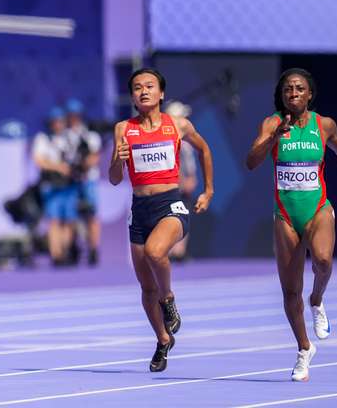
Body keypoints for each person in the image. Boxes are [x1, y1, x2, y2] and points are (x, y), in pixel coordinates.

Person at [245, 68, 337, 382]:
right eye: (287, 90)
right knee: (289, 290)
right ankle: (303, 349)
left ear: (309, 94)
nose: (293, 94)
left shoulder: (324, 125)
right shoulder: (272, 124)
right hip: (285, 213)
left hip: (317, 208)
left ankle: (318, 299)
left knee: (323, 261)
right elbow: (251, 161)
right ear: (282, 97)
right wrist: (272, 136)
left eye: (299, 89)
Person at [109, 68, 214, 372]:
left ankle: (169, 299)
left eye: (149, 86)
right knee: (145, 289)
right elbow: (115, 179)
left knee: (157, 252)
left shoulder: (177, 125)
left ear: (161, 94)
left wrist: (208, 190)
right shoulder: (123, 129)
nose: (143, 91)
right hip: (139, 209)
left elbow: (205, 149)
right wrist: (118, 158)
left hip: (171, 204)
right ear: (132, 96)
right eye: (137, 87)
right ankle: (163, 339)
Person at [32, 106, 77, 266]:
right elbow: (39, 160)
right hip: (51, 185)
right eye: (55, 122)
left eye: (60, 121)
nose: (58, 124)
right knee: (54, 220)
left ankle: (65, 251)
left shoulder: (70, 138)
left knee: (69, 220)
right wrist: (59, 167)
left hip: (69, 185)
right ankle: (56, 254)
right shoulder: (43, 139)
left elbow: (77, 158)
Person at [64, 98, 103, 265]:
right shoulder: (64, 136)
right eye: (71, 115)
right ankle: (72, 248)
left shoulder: (89, 136)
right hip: (70, 181)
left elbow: (95, 157)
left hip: (88, 181)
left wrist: (84, 164)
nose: (74, 118)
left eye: (76, 115)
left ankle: (93, 249)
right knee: (70, 216)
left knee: (91, 215)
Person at [164, 101, 198, 262]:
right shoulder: (168, 143)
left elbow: (190, 167)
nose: (187, 120)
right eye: (183, 117)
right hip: (173, 189)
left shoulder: (186, 143)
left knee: (184, 217)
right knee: (171, 219)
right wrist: (181, 181)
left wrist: (191, 179)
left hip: (184, 189)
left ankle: (179, 252)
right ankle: (171, 251)